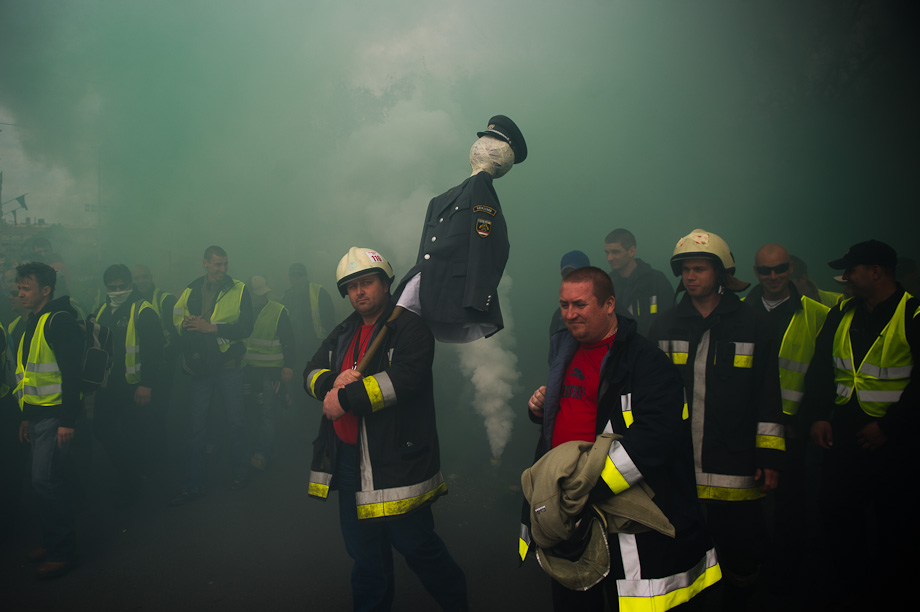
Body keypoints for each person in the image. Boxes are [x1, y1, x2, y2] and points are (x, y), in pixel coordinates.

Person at [523, 266, 719, 611]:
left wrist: (587, 486)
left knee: (625, 599)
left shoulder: (647, 363)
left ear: (609, 304)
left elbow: (657, 437)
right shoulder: (564, 352)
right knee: (573, 600)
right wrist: (540, 409)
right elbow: (567, 414)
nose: (569, 314)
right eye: (564, 305)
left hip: (618, 509)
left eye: (580, 305)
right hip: (569, 508)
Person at [304, 247, 467, 612]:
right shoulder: (344, 331)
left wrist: (345, 399)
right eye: (352, 287)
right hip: (349, 461)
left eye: (367, 283)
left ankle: (458, 604)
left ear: (385, 284)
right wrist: (332, 381)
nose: (359, 292)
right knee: (364, 556)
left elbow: (405, 379)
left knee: (417, 547)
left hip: (394, 460)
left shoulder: (409, 327)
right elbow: (310, 371)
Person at [648, 229, 784, 610]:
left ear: (721, 273)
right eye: (685, 270)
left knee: (743, 548)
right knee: (681, 551)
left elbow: (767, 394)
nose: (690, 277)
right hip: (678, 465)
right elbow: (650, 396)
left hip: (735, 463)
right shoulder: (664, 326)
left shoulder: (753, 324)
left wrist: (770, 456)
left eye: (699, 269)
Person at [803, 239, 920, 605]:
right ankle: (852, 592)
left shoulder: (913, 314)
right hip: (845, 434)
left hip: (897, 443)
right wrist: (820, 414)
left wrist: (889, 427)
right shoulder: (843, 312)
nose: (844, 278)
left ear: (876, 272)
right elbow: (821, 366)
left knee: (896, 525)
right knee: (836, 513)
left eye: (851, 270)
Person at [395, 115, 526, 343]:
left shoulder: (481, 188)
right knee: (394, 327)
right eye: (485, 140)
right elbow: (426, 251)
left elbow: (488, 246)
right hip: (425, 283)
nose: (484, 147)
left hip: (450, 292)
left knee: (403, 334)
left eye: (493, 144)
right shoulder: (441, 199)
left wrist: (476, 299)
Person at [746, 244, 830, 594]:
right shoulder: (739, 311)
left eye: (780, 269)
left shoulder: (817, 313)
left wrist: (814, 418)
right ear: (756, 272)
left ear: (790, 268)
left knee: (794, 508)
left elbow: (825, 373)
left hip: (795, 430)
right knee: (749, 505)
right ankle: (754, 572)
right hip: (749, 428)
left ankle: (790, 580)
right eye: (766, 271)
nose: (774, 277)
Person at [14, 262, 84, 578]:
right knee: (43, 484)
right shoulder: (34, 320)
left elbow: (72, 377)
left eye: (26, 287)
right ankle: (53, 542)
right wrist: (28, 417)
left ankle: (61, 552)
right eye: (19, 287)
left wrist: (67, 421)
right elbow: (31, 376)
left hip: (56, 418)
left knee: (47, 483)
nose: (20, 292)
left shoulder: (59, 321)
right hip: (40, 417)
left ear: (46, 290)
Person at [171, 246, 253, 504]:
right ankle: (192, 483)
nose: (223, 269)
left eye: (225, 264)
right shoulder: (191, 288)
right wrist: (185, 325)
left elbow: (246, 326)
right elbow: (176, 317)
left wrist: (212, 328)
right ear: (205, 263)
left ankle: (240, 473)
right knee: (196, 428)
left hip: (228, 366)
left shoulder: (239, 288)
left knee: (236, 423)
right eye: (217, 264)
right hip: (202, 369)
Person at [92, 265, 164, 504]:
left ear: (130, 284)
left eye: (122, 286)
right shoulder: (103, 309)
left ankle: (132, 485)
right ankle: (130, 474)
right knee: (102, 430)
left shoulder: (144, 310)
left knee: (134, 436)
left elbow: (155, 351)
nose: (118, 291)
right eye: (113, 287)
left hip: (133, 386)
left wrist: (147, 384)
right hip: (108, 385)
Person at [242, 275, 294, 471]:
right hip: (246, 371)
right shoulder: (240, 311)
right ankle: (254, 449)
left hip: (269, 372)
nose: (262, 297)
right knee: (249, 412)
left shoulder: (278, 311)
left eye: (264, 294)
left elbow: (289, 339)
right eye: (258, 295)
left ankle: (262, 452)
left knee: (267, 413)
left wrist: (288, 365)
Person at [603, 228, 674, 337]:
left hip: (653, 348)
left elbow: (671, 319)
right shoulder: (607, 285)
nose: (609, 258)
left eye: (615, 252)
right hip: (619, 349)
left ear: (632, 251)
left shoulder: (656, 281)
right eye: (607, 253)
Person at [281, 262, 334, 371]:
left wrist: (332, 344)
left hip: (316, 344)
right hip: (295, 346)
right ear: (289, 278)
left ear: (305, 276)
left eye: (299, 275)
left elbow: (330, 320)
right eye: (293, 276)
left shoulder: (319, 292)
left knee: (316, 374)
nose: (296, 279)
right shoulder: (286, 296)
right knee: (298, 377)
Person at [548, 250, 591, 340]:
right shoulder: (559, 317)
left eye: (577, 274)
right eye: (567, 274)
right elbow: (555, 351)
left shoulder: (606, 309)